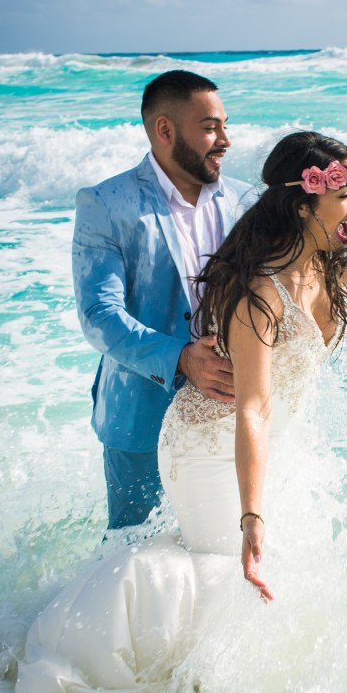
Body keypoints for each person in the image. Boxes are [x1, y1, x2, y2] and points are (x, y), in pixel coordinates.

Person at [0, 132, 347, 693]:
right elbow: (251, 407)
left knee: (268, 559)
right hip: (208, 446)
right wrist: (251, 515)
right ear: (303, 204)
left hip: (268, 438)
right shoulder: (261, 293)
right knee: (230, 561)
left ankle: (226, 684)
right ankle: (178, 691)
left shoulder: (337, 263)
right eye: (346, 196)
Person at [73, 70, 254, 530]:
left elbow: (297, 267)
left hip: (227, 414)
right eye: (210, 127)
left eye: (225, 125)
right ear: (165, 130)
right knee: (132, 556)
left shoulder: (245, 201)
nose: (225, 140)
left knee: (218, 548)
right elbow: (99, 315)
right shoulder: (106, 203)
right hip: (138, 417)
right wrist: (181, 359)